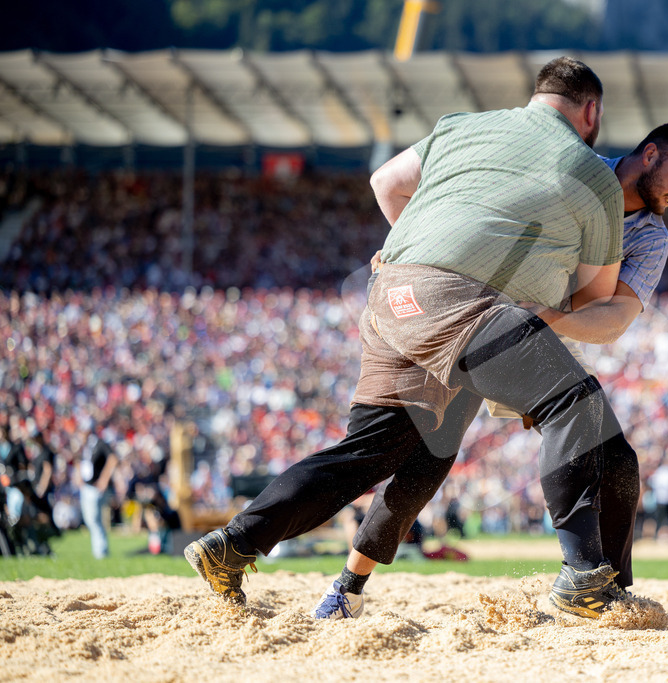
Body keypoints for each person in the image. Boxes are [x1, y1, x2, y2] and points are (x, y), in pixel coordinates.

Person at [186, 56, 629, 618]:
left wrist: (425, 252)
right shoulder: (593, 173)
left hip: (394, 289)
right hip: (465, 306)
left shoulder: (460, 126)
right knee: (574, 400)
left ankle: (240, 545)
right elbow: (594, 298)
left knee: (396, 452)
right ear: (590, 111)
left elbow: (385, 182)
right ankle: (585, 575)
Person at [312, 123, 668, 619]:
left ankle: (605, 588)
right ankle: (347, 586)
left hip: (542, 336)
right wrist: (409, 250)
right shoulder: (573, 169)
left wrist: (548, 318)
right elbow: (467, 202)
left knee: (618, 461)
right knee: (428, 456)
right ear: (649, 153)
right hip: (473, 317)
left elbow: (614, 317)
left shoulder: (652, 238)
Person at [79, 428, 119, 559]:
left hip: (95, 489)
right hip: (87, 487)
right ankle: (99, 551)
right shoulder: (85, 447)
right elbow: (80, 463)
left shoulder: (100, 444)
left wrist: (104, 478)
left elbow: (113, 458)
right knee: (91, 521)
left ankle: (101, 552)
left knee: (95, 520)